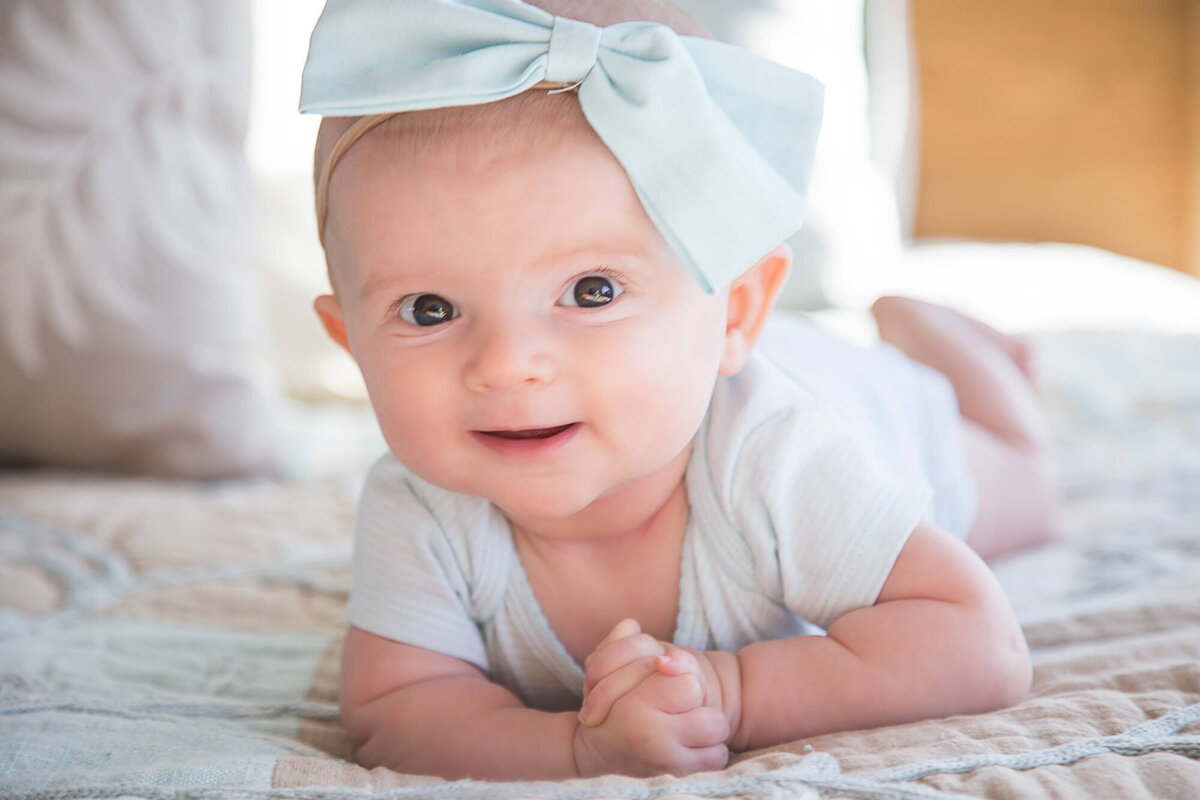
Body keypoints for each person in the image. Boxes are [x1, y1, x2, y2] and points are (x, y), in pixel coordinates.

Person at [299, 0, 1058, 781]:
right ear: (351, 342)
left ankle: (939, 336)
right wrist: (574, 751)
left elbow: (980, 645)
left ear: (735, 311)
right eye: (430, 310)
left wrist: (730, 693)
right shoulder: (421, 506)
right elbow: (399, 709)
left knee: (1023, 486)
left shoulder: (774, 457)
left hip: (870, 406)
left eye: (591, 291)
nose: (506, 364)